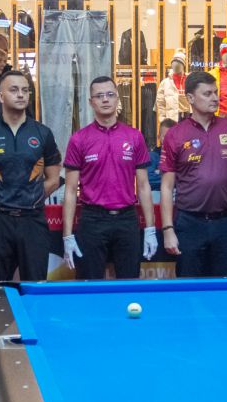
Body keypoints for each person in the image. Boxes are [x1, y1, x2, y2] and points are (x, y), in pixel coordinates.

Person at [0, 69, 62, 389]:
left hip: (33, 221)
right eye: (14, 89)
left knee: (35, 291)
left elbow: (53, 177)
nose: (21, 94)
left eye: (25, 89)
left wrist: (30, 198)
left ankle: (37, 361)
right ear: (0, 96)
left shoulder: (42, 133)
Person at [159, 71, 227, 277]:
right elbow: (166, 186)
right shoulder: (175, 134)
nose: (215, 98)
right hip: (189, 222)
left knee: (225, 286)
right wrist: (167, 229)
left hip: (225, 222)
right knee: (189, 287)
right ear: (190, 98)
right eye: (207, 93)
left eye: (216, 92)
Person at [61, 76, 157, 279]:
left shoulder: (134, 136)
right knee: (89, 285)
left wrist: (150, 228)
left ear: (117, 99)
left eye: (110, 94)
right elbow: (69, 191)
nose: (105, 99)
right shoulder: (79, 139)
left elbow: (143, 186)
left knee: (129, 283)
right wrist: (67, 235)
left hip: (127, 219)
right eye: (99, 96)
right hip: (92, 219)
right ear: (91, 102)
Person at [156, 51, 190, 124]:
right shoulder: (165, 83)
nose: (175, 66)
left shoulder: (190, 80)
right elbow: (161, 104)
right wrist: (163, 120)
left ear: (183, 65)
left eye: (179, 63)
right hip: (171, 119)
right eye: (173, 63)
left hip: (188, 118)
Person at [148, 118, 177, 195]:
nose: (168, 140)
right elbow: (149, 179)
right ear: (159, 137)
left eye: (172, 137)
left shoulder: (181, 157)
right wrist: (174, 177)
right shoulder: (152, 156)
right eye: (165, 137)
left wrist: (160, 174)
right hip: (157, 194)